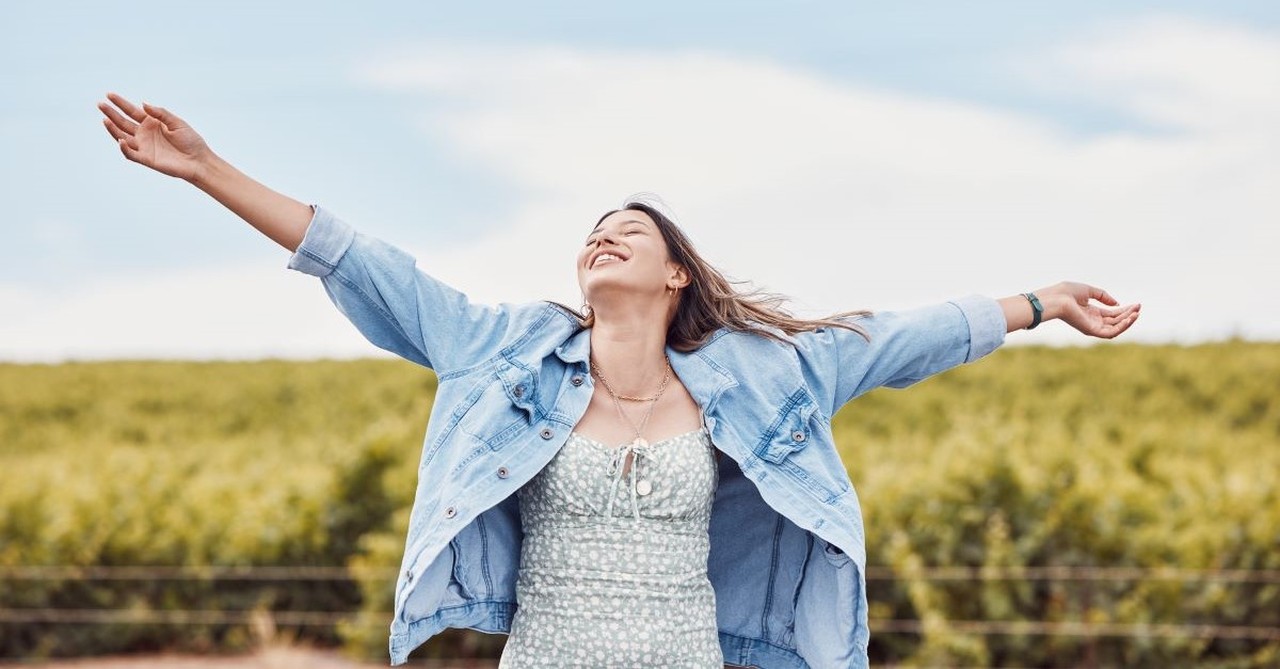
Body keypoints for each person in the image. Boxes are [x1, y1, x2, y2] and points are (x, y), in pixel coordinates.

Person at [98, 92, 1140, 668]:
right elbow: (363, 262)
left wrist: (1039, 300)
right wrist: (208, 169)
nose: (604, 236)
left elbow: (896, 336)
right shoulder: (500, 350)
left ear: (676, 272)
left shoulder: (764, 375)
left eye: (630, 231)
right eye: (594, 231)